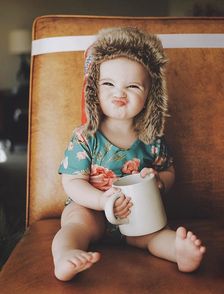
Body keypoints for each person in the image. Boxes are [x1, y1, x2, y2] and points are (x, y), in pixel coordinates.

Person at [52, 27, 206, 281]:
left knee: (155, 233)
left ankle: (180, 253)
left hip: (136, 213)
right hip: (93, 209)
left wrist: (159, 181)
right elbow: (71, 181)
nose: (119, 93)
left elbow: (168, 170)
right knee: (76, 224)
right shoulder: (85, 136)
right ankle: (65, 255)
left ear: (149, 97)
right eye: (108, 84)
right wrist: (102, 202)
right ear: (94, 91)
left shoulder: (152, 139)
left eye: (133, 86)